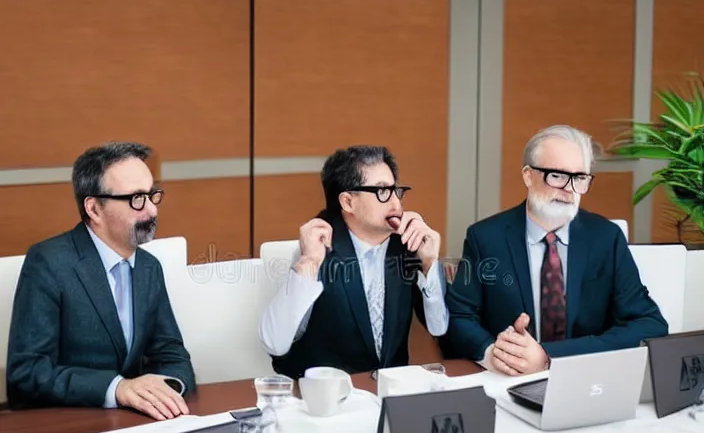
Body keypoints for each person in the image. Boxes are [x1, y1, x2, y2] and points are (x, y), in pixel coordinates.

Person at [440, 125, 668, 376]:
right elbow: (459, 318)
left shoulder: (606, 238)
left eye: (580, 178)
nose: (569, 189)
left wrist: (549, 356)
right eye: (557, 176)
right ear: (528, 176)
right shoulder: (485, 238)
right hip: (508, 382)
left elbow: (649, 324)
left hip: (587, 380)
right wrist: (495, 352)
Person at [6, 141, 196, 420]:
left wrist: (163, 391)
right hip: (66, 428)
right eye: (136, 199)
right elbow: (27, 373)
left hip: (134, 425)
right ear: (94, 209)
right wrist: (117, 388)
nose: (152, 211)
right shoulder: (48, 263)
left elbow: (172, 355)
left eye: (152, 195)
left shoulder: (149, 267)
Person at [259, 145, 449, 378]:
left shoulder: (406, 245)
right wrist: (308, 262)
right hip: (329, 399)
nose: (396, 204)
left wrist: (429, 263)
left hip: (390, 394)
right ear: (348, 202)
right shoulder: (319, 247)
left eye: (396, 190)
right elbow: (275, 344)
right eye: (382, 192)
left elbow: (439, 327)